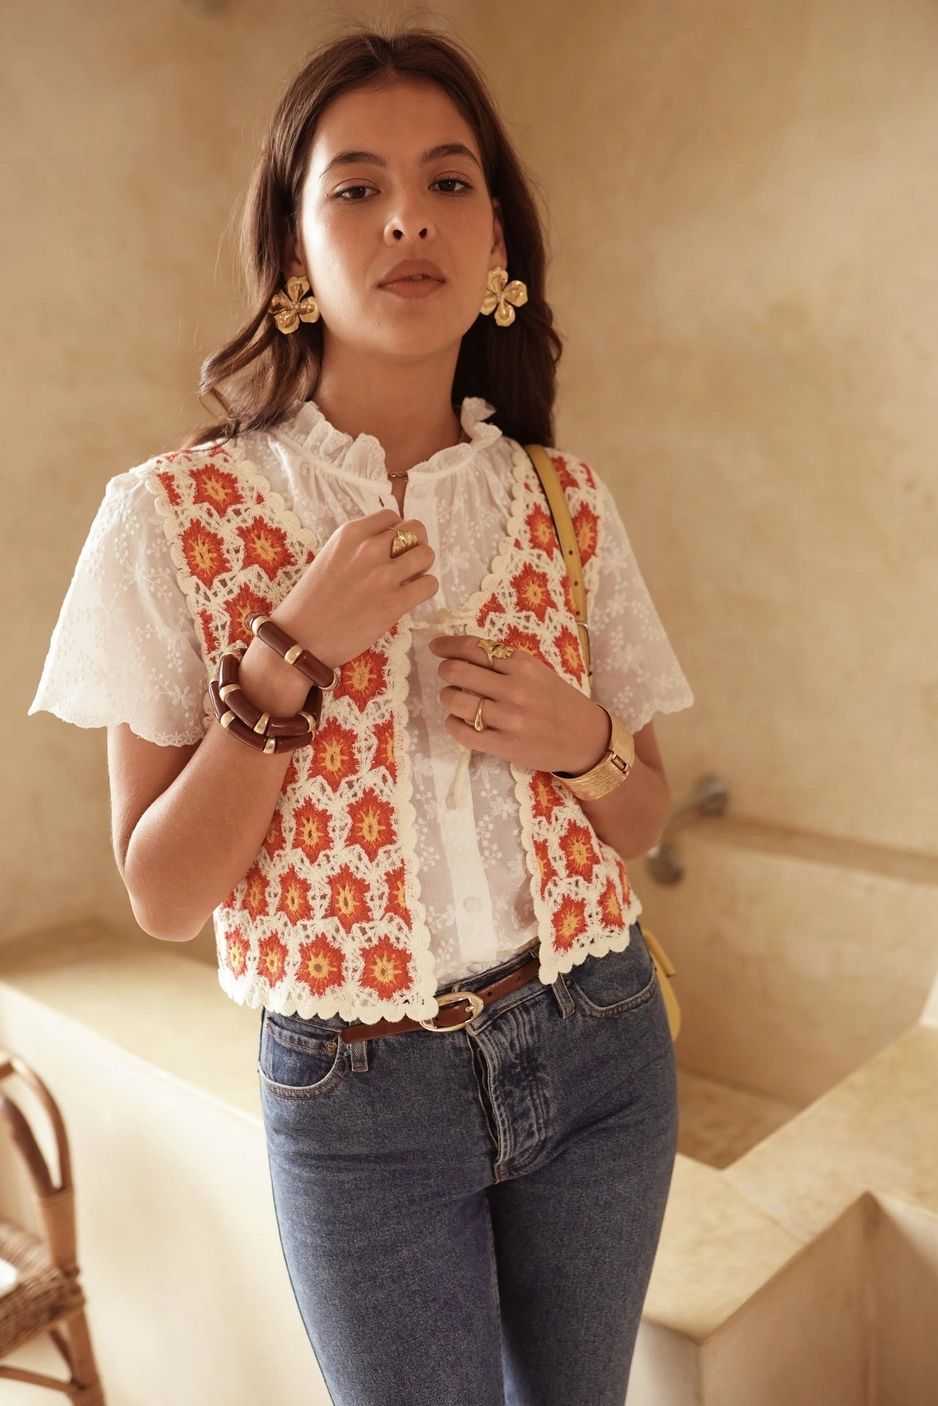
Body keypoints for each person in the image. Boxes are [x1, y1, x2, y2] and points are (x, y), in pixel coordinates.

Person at [30, 24, 694, 1406]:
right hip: (357, 1101)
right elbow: (163, 893)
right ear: (291, 249)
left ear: (496, 240)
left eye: (449, 182)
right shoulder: (171, 518)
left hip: (602, 1038)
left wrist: (578, 740)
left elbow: (642, 817)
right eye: (355, 187)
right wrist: (284, 660)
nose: (407, 217)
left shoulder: (566, 502)